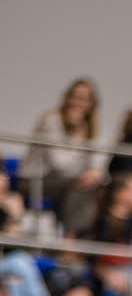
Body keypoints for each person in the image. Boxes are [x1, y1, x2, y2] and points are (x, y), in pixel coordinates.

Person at [21, 79, 103, 234]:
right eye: (76, 97)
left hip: (66, 181)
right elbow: (60, 165)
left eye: (85, 99)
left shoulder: (90, 127)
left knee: (97, 188)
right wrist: (77, 137)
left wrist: (95, 174)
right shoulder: (51, 120)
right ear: (67, 98)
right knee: (78, 188)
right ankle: (70, 238)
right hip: (35, 179)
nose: (79, 103)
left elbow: (98, 163)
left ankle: (87, 238)